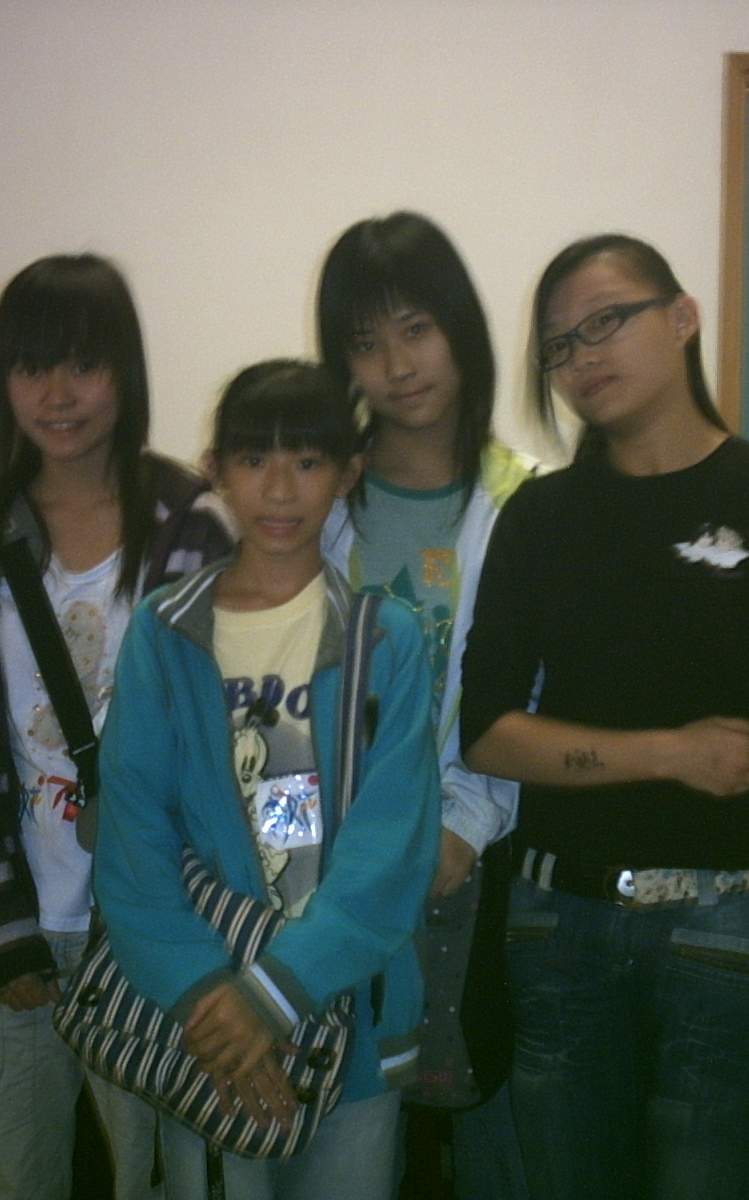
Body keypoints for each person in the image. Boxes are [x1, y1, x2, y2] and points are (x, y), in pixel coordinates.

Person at [461, 233, 749, 1199]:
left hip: (723, 933)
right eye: (559, 344)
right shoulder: (539, 517)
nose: (582, 357)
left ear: (681, 318)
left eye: (605, 321)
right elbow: (489, 732)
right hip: (557, 928)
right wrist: (671, 754)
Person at [0, 254, 234, 1200]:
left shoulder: (190, 526)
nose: (57, 395)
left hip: (151, 936)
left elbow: (219, 752)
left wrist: (173, 926)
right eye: (31, 367)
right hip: (11, 936)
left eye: (83, 365)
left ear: (124, 373)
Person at [93, 360, 441, 1200]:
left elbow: (391, 849)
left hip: (347, 1019)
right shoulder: (165, 632)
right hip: (206, 1024)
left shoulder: (385, 638)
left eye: (307, 462)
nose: (280, 490)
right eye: (254, 460)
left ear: (348, 472)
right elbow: (134, 836)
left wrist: (277, 994)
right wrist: (212, 997)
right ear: (216, 469)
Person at [316, 212, 534, 1199]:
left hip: (470, 872)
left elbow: (531, 693)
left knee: (476, 1135)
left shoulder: (524, 501)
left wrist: (465, 825)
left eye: (417, 329)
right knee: (346, 1141)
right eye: (366, 342)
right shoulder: (316, 500)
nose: (397, 366)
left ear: (460, 329)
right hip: (329, 876)